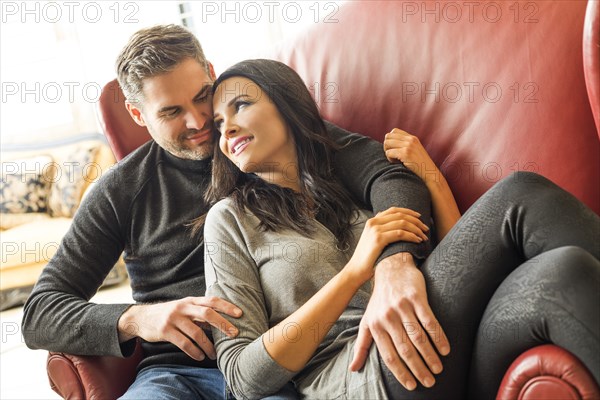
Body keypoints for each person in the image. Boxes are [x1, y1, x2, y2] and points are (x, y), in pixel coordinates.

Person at [21, 25, 447, 399]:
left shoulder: (261, 135)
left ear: (210, 71)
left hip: (281, 365)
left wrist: (396, 262)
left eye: (201, 97)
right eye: (171, 112)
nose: (199, 121)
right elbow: (40, 311)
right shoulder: (122, 190)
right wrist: (136, 318)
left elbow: (388, 176)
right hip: (177, 371)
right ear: (138, 114)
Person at [202, 59, 600, 399]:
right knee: (520, 192)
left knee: (565, 272)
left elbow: (460, 260)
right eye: (219, 124)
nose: (228, 130)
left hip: (438, 341)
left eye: (241, 106)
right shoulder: (229, 220)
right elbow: (242, 378)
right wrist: (355, 271)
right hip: (361, 374)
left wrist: (432, 178)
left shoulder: (353, 182)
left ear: (287, 103)